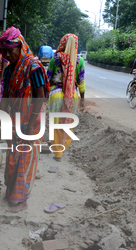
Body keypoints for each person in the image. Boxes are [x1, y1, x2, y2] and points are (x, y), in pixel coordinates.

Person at [0, 26, 49, 213]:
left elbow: (40, 97)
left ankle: (21, 199)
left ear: (20, 46)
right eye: (4, 51)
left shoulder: (33, 67)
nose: (8, 54)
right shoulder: (8, 71)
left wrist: (30, 126)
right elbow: (6, 99)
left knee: (25, 158)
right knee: (13, 156)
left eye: (11, 50)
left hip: (32, 120)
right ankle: (12, 193)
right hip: (16, 120)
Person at [47, 34, 85, 162]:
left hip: (56, 94)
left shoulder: (56, 58)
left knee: (55, 123)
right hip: (72, 96)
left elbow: (48, 77)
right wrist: (83, 99)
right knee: (67, 123)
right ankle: (62, 147)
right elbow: (81, 81)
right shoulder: (79, 60)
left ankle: (57, 152)